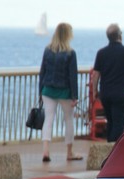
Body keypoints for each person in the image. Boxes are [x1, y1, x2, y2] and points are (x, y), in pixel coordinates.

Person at [38, 22, 79, 162]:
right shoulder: (70, 53)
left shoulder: (47, 50)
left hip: (48, 90)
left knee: (48, 120)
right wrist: (75, 96)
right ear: (68, 35)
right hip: (65, 92)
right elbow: (72, 76)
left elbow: (42, 72)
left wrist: (40, 92)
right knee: (68, 120)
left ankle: (45, 151)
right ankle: (69, 152)